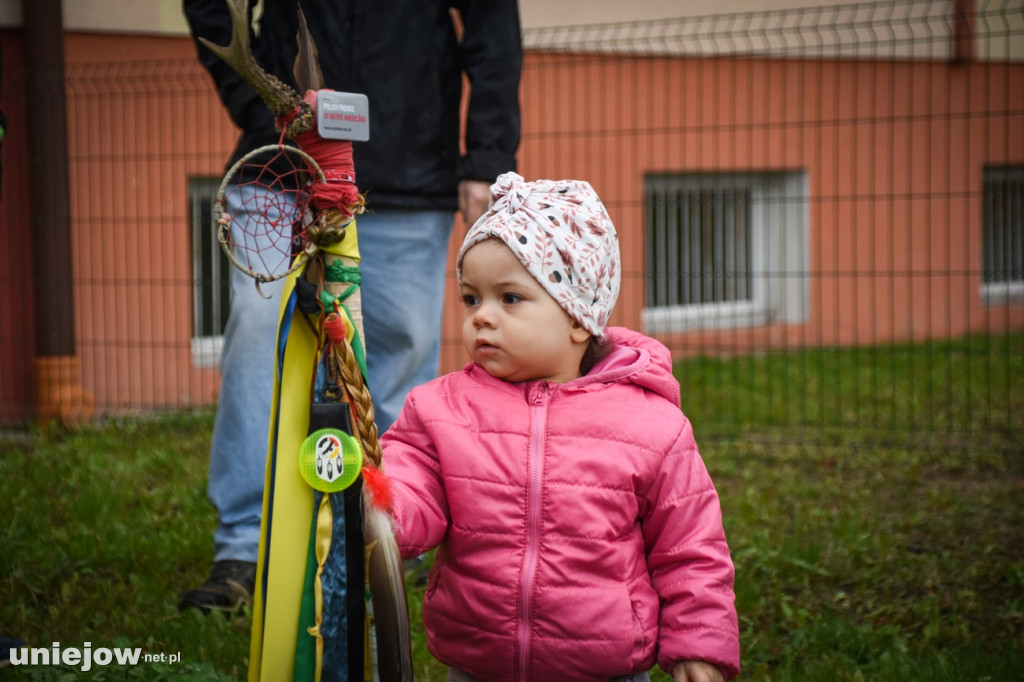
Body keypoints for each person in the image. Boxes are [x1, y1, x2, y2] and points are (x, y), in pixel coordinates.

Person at [179, 0, 522, 613]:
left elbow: (493, 19)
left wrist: (490, 151)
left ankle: (392, 538)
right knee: (263, 337)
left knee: (398, 353)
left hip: (410, 162)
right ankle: (246, 548)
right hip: (281, 163)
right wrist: (258, 100)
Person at [381, 173, 741, 681]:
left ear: (578, 317)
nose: (481, 317)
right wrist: (383, 509)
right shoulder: (441, 410)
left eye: (509, 298)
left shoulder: (651, 425)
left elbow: (691, 547)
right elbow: (412, 486)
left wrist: (698, 644)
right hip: (479, 664)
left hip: (603, 667)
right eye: (470, 298)